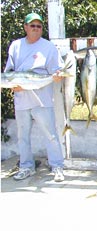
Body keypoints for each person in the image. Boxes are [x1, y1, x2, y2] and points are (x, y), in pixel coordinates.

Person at [4, 12, 66, 182]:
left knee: (50, 134)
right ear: (25, 27)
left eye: (39, 26)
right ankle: (26, 167)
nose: (36, 29)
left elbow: (57, 70)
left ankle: (57, 166)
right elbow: (9, 72)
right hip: (22, 101)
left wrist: (58, 75)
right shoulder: (15, 46)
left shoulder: (49, 47)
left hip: (43, 100)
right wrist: (12, 86)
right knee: (22, 136)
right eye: (32, 25)